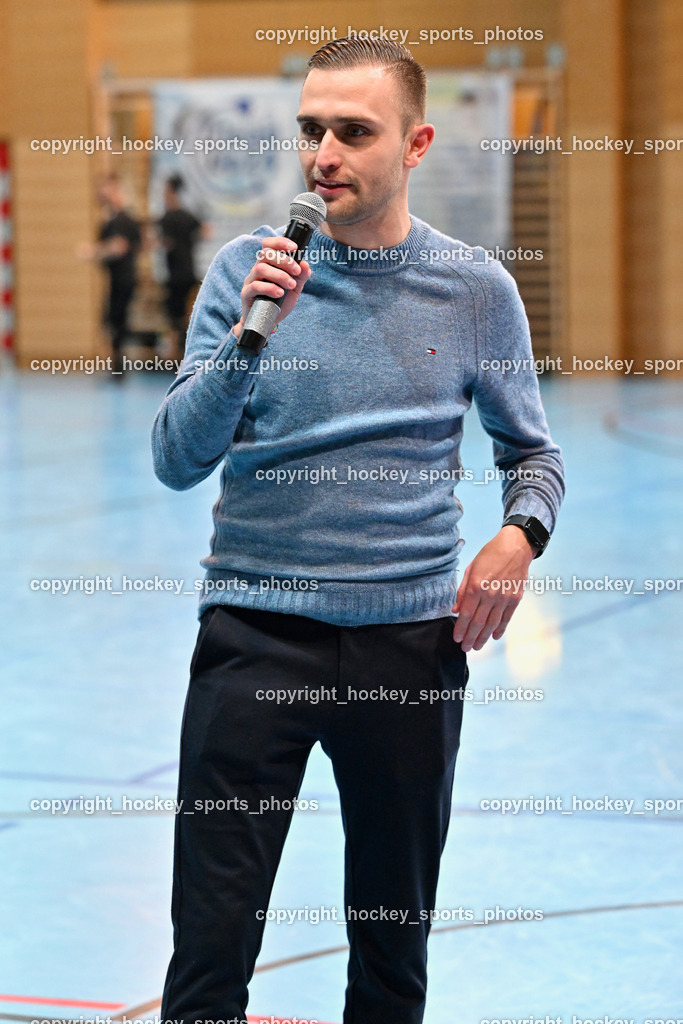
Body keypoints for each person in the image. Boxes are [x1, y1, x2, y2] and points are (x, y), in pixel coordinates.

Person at [151, 36, 565, 1024]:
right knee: (210, 940)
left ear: (415, 144)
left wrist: (518, 537)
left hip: (408, 647)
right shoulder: (244, 272)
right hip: (254, 635)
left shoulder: (474, 290)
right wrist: (249, 340)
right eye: (310, 130)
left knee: (390, 944)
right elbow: (176, 457)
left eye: (352, 131)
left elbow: (533, 456)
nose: (323, 154)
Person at [79, 173, 141, 376]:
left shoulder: (121, 219)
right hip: (117, 278)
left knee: (116, 321)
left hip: (124, 278)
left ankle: (119, 367)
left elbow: (118, 247)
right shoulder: (112, 219)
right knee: (112, 320)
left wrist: (93, 252)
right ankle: (117, 364)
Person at [157, 174, 209, 359]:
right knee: (184, 315)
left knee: (175, 317)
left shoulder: (167, 218)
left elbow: (165, 243)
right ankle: (184, 351)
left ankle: (177, 353)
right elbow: (206, 232)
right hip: (188, 270)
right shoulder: (188, 216)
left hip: (176, 274)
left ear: (171, 193)